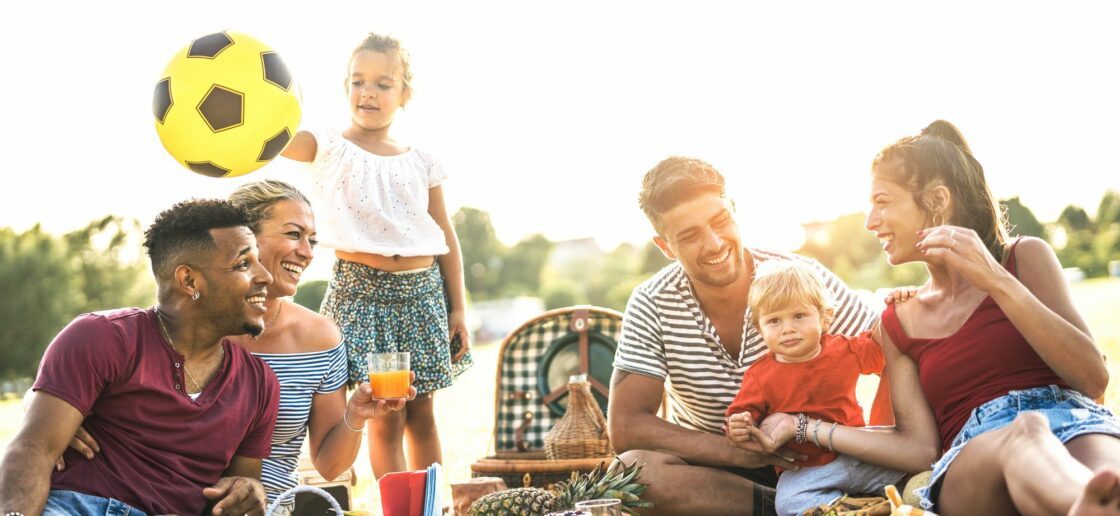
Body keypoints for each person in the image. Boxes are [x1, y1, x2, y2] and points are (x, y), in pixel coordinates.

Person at [735, 120, 1120, 515]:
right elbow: (917, 449)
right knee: (1028, 433)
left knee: (1110, 480)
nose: (870, 221)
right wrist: (804, 427)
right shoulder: (899, 320)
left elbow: (1092, 379)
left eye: (882, 202)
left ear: (937, 200)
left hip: (1075, 419)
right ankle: (1083, 505)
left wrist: (995, 279)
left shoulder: (1024, 259)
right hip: (974, 454)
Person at [609, 156, 883, 515]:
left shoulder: (799, 278)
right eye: (689, 236)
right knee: (630, 472)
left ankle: (814, 503)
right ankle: (797, 510)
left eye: (720, 221)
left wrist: (883, 437)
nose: (714, 244)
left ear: (734, 211)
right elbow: (627, 427)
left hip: (827, 461)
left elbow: (891, 351)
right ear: (665, 247)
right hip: (720, 477)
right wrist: (736, 450)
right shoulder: (651, 302)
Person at [0, 199, 280, 515]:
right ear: (189, 281)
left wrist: (251, 491)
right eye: (244, 264)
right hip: (76, 506)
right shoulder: (101, 337)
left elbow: (238, 488)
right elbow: (33, 450)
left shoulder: (260, 384)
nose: (265, 276)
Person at [279, 33, 471, 478]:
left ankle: (431, 505)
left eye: (384, 84)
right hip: (362, 296)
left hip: (423, 296)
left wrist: (457, 307)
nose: (368, 92)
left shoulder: (422, 160)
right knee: (385, 416)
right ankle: (400, 509)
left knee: (422, 415)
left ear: (405, 94)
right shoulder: (327, 146)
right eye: (358, 81)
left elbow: (446, 237)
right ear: (345, 86)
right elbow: (279, 141)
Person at [724, 260, 904, 515]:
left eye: (799, 315)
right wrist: (739, 426)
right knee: (787, 503)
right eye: (774, 320)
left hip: (858, 455)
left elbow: (882, 348)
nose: (788, 328)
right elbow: (741, 421)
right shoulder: (759, 376)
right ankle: (844, 508)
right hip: (807, 470)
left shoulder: (844, 350)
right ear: (759, 328)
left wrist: (897, 306)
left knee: (909, 466)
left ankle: (882, 499)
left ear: (825, 317)